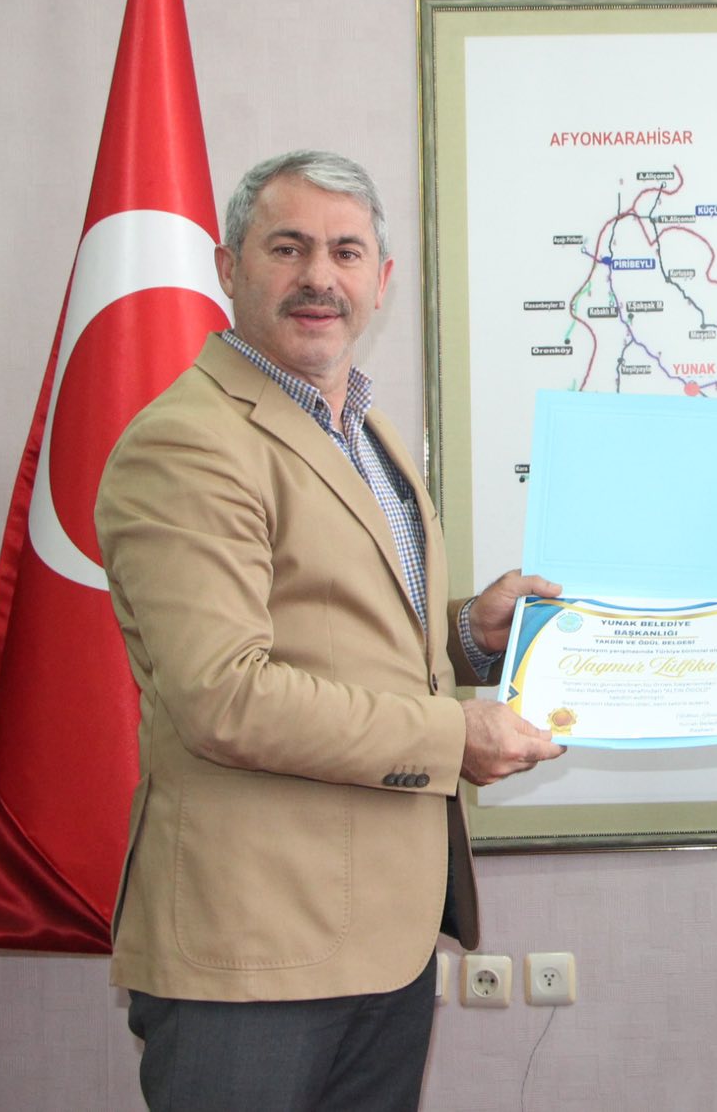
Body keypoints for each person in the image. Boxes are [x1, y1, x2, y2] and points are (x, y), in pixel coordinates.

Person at [96, 149, 565, 1112]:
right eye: (288, 247)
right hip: (254, 944)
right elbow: (225, 697)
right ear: (228, 268)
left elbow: (346, 637)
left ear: (380, 281)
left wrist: (469, 634)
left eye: (346, 252)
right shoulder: (188, 441)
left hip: (380, 935)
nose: (320, 276)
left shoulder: (363, 426)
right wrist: (453, 737)